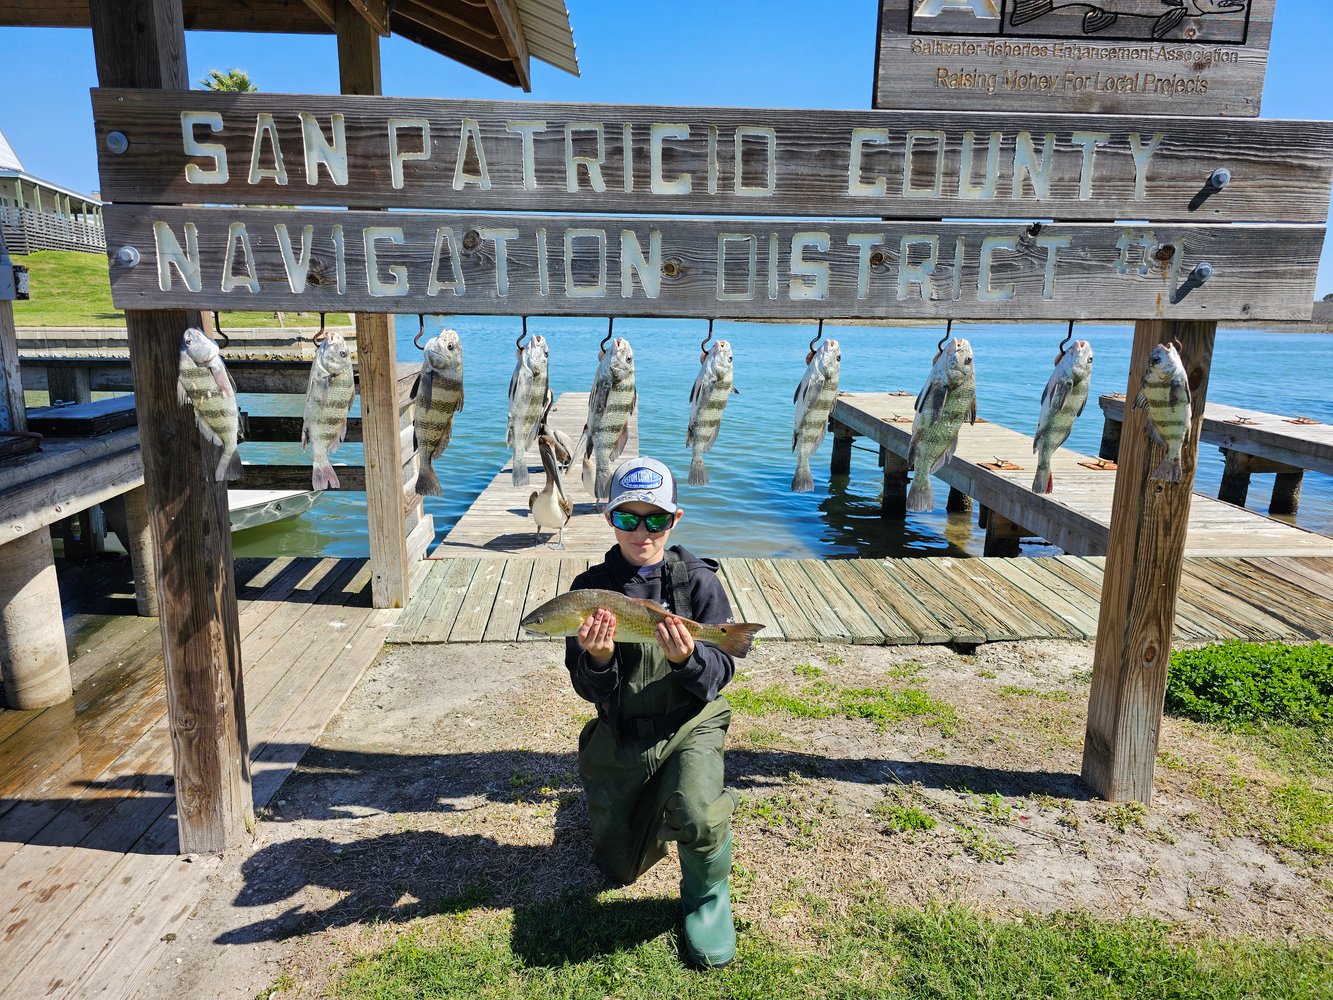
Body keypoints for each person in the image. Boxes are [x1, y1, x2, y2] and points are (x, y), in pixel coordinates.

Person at [564, 456, 738, 968]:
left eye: (656, 519)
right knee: (618, 868)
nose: (643, 532)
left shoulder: (698, 582)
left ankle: (707, 900)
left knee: (701, 814)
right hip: (624, 729)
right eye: (629, 518)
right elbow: (587, 690)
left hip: (690, 723)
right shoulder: (591, 588)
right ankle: (637, 810)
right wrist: (598, 657)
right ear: (610, 519)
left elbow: (717, 677)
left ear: (675, 520)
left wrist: (687, 657)